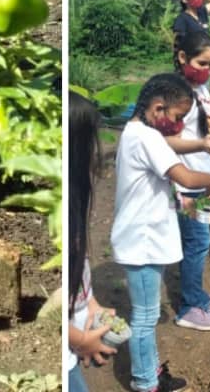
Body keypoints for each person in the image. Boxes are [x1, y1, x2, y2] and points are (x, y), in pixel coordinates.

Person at [111, 72, 210, 392]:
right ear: (158, 107)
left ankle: (151, 370)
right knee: (145, 317)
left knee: (147, 314)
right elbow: (185, 177)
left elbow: (164, 186)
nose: (179, 124)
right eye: (177, 117)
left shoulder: (136, 132)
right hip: (141, 241)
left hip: (143, 236)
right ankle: (146, 382)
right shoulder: (147, 138)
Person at [171, 25, 210, 330]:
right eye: (201, 63)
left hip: (205, 177)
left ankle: (198, 293)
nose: (207, 70)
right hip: (187, 182)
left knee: (202, 240)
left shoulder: (201, 89)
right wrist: (202, 146)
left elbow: (205, 127)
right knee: (197, 241)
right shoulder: (176, 94)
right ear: (183, 57)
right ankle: (189, 306)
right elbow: (165, 141)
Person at [68, 91, 117, 390]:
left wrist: (91, 304)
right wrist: (79, 340)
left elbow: (79, 267)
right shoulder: (64, 214)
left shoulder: (74, 205)